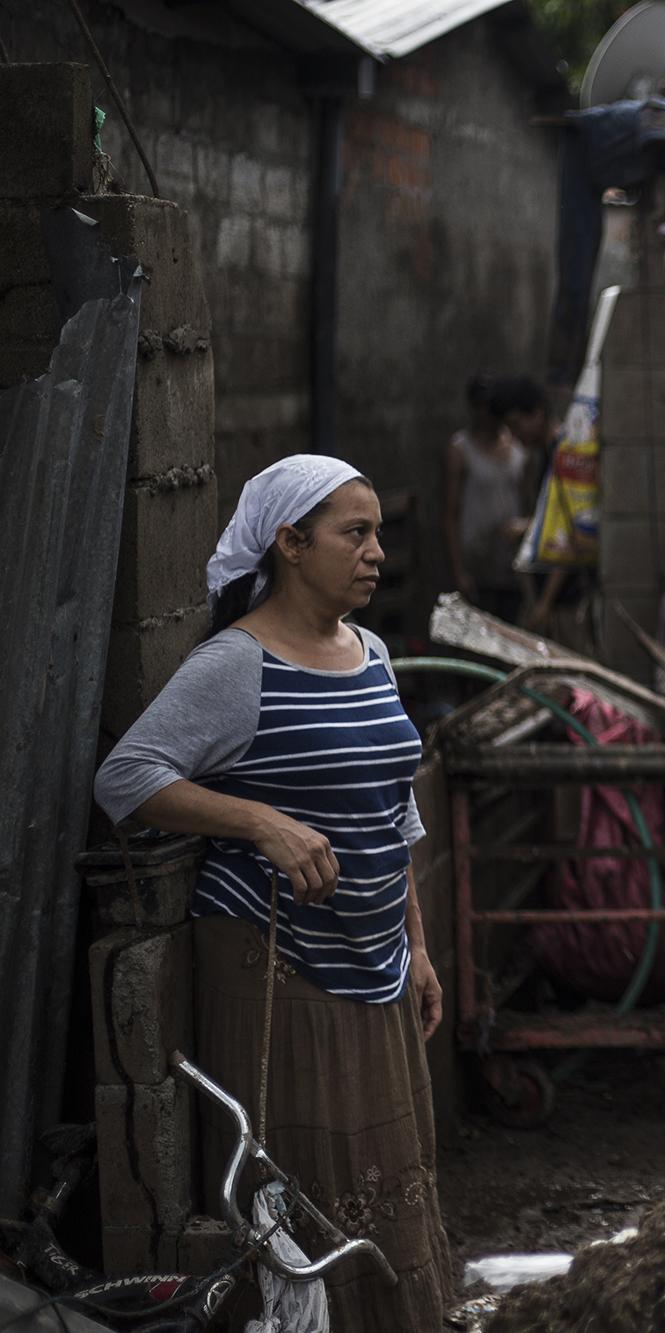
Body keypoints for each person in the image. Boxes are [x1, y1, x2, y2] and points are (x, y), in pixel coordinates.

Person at [94, 456, 451, 1332]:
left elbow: (393, 813)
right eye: (353, 534)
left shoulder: (372, 652)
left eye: (378, 535)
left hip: (375, 968)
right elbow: (125, 777)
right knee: (300, 1194)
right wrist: (258, 821)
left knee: (384, 1175)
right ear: (290, 544)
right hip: (277, 972)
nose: (375, 554)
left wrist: (420, 947)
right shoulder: (235, 664)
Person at [489, 374, 596, 649]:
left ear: (537, 413)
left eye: (516, 424)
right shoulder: (540, 459)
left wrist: (545, 604)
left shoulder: (564, 455)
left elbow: (568, 534)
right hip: (550, 600)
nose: (514, 434)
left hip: (566, 600)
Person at [443, 371, 531, 621]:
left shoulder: (518, 449)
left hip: (511, 564)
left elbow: (528, 503)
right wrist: (459, 570)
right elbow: (450, 513)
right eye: (480, 407)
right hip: (476, 563)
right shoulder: (460, 449)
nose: (486, 415)